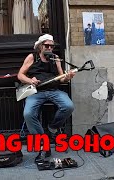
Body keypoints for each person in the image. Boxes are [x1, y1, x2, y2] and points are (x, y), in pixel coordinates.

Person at [17, 34, 75, 163]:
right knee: (28, 113)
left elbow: (62, 78)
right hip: (36, 92)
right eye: (47, 45)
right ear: (40, 46)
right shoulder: (32, 57)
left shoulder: (55, 59)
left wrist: (68, 77)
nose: (49, 48)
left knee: (68, 106)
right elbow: (20, 75)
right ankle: (43, 145)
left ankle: (52, 128)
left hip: (54, 90)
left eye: (51, 46)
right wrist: (30, 80)